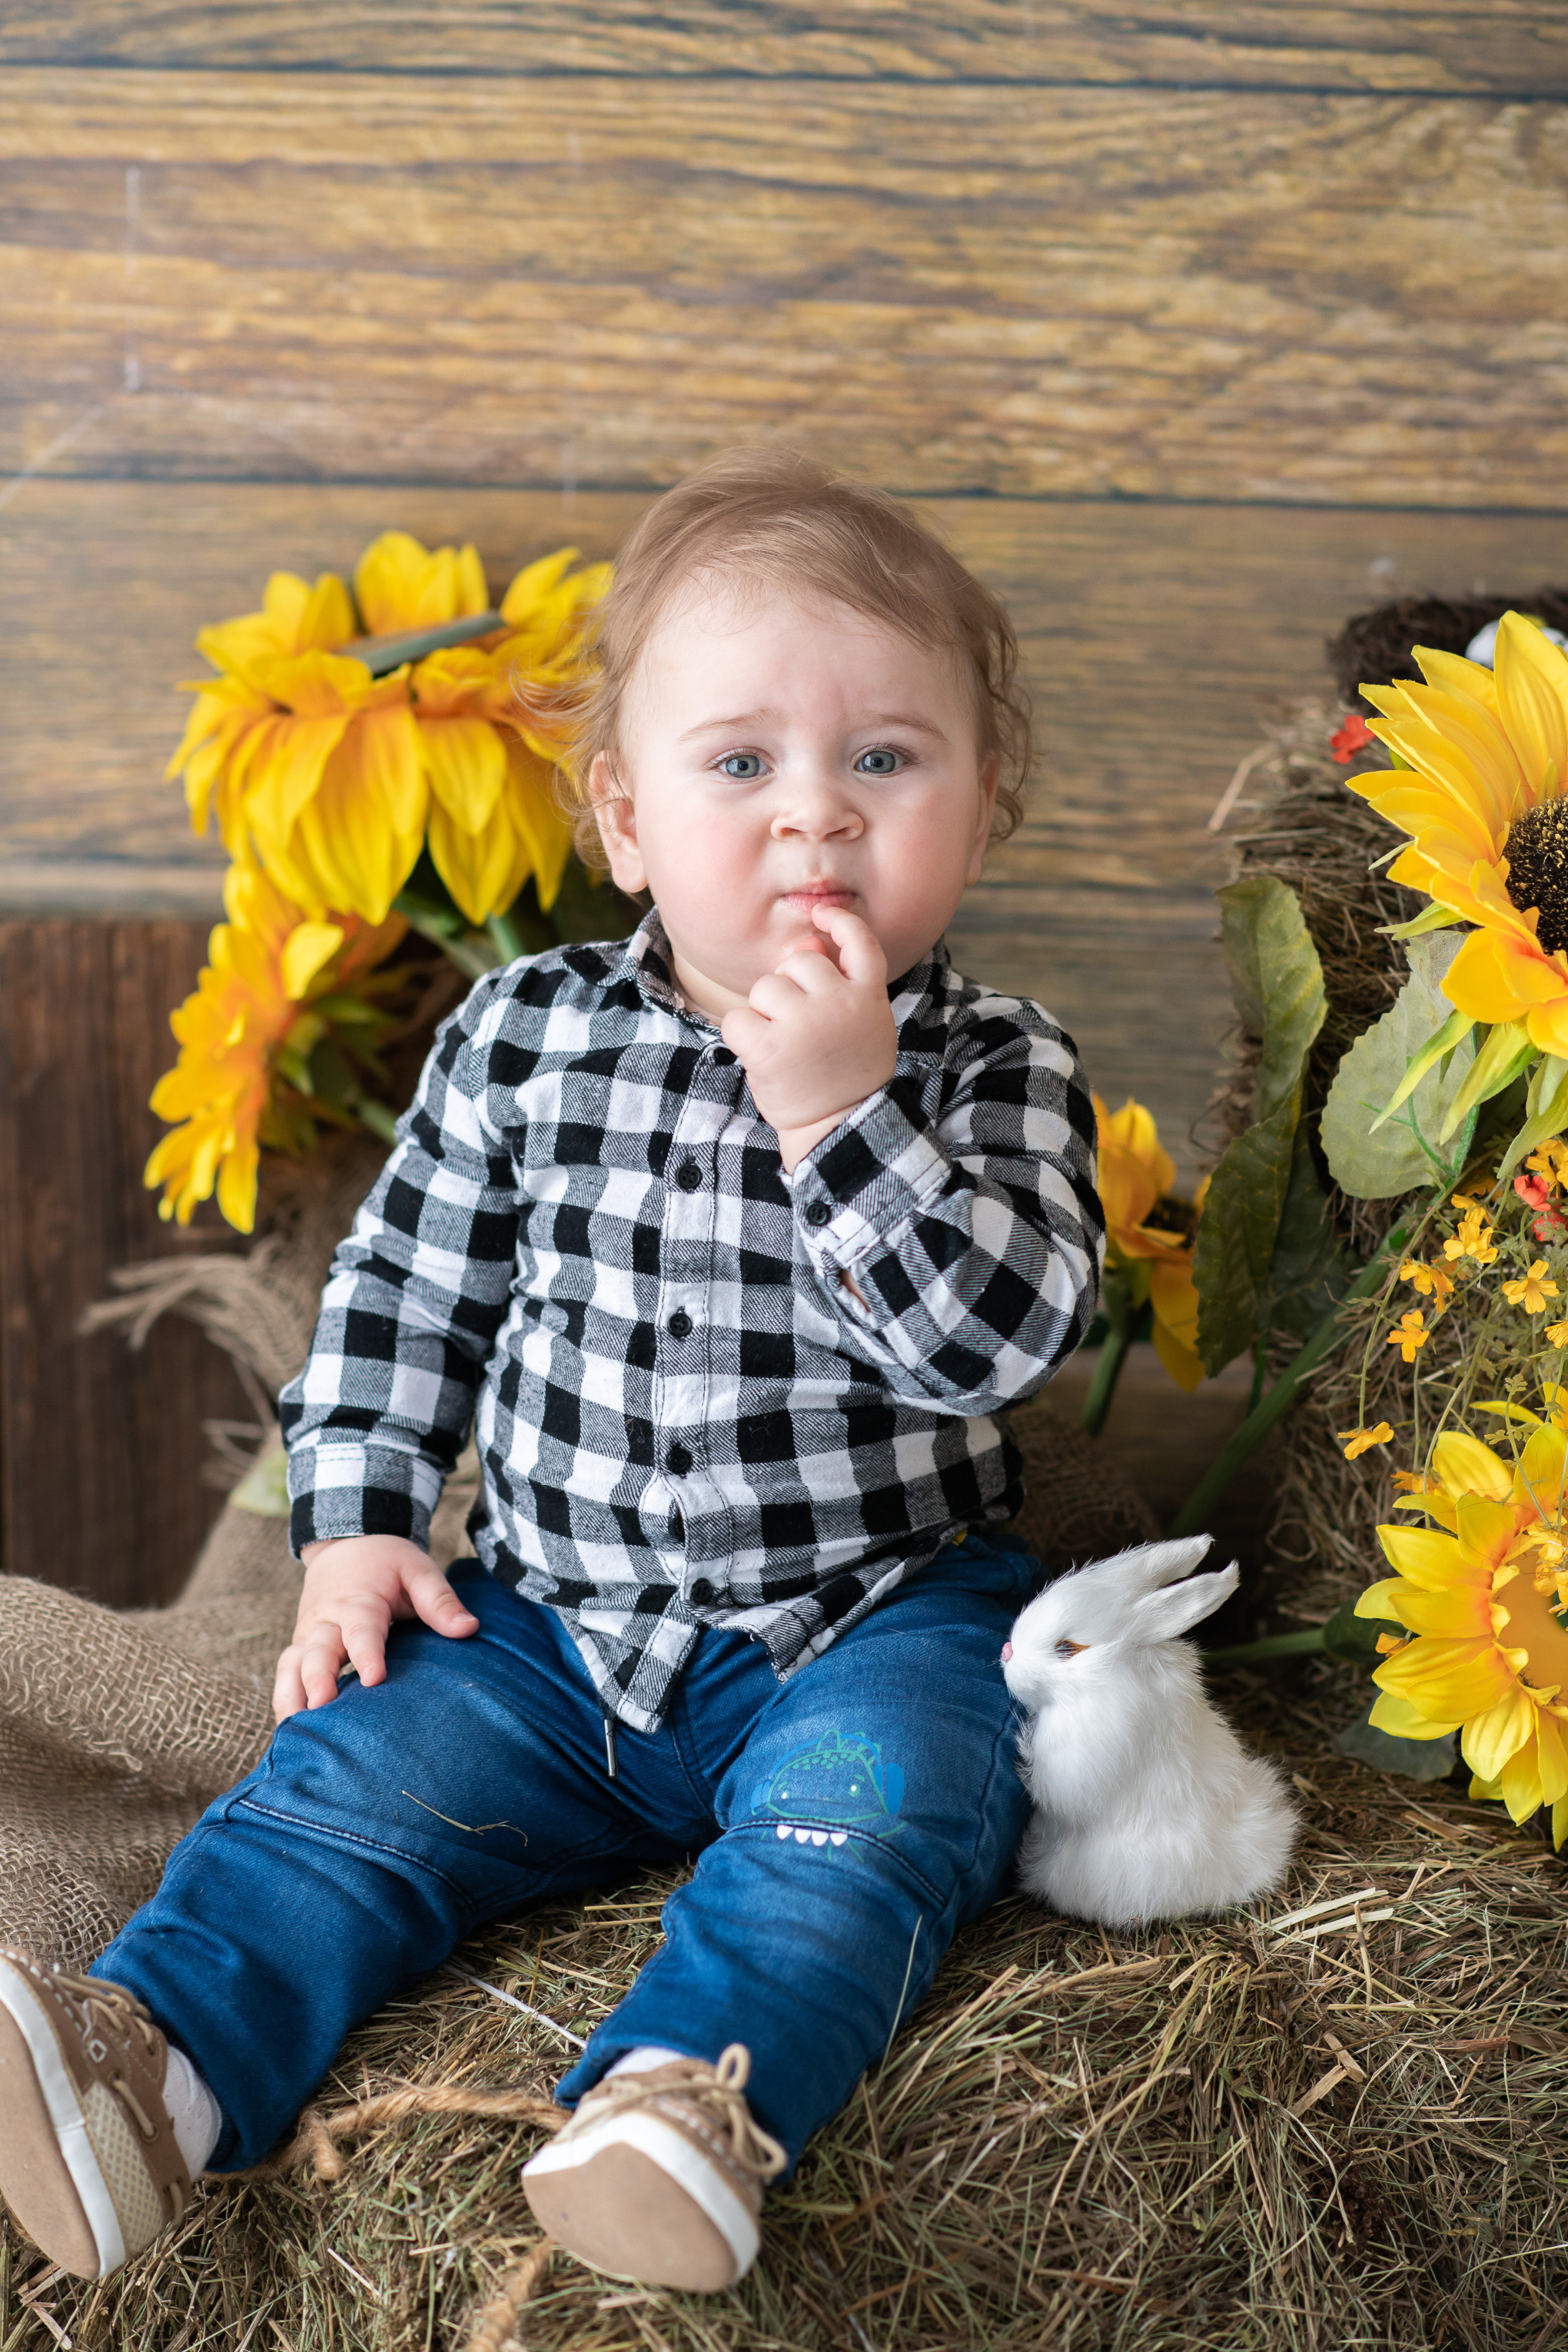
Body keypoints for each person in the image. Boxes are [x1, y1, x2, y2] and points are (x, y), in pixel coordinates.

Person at [0, 450, 1103, 2294]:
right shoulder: (525, 1038)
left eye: (887, 763)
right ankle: (158, 2077)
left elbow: (998, 1345)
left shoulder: (997, 1066)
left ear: (982, 813)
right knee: (342, 1786)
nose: (813, 821)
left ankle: (683, 2104)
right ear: (622, 821)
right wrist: (352, 1531)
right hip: (547, 1623)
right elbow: (399, 1302)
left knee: (890, 1801)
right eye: (740, 765)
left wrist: (842, 1114)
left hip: (869, 1613)